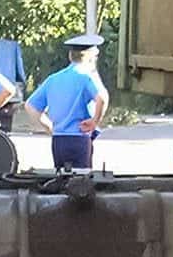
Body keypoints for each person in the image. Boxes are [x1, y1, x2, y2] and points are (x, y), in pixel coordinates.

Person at [23, 32, 109, 171]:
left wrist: (49, 127)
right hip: (79, 139)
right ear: (91, 56)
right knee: (80, 183)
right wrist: (95, 121)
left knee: (60, 181)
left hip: (58, 141)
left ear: (70, 56)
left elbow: (30, 106)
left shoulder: (53, 79)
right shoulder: (87, 76)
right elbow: (102, 97)